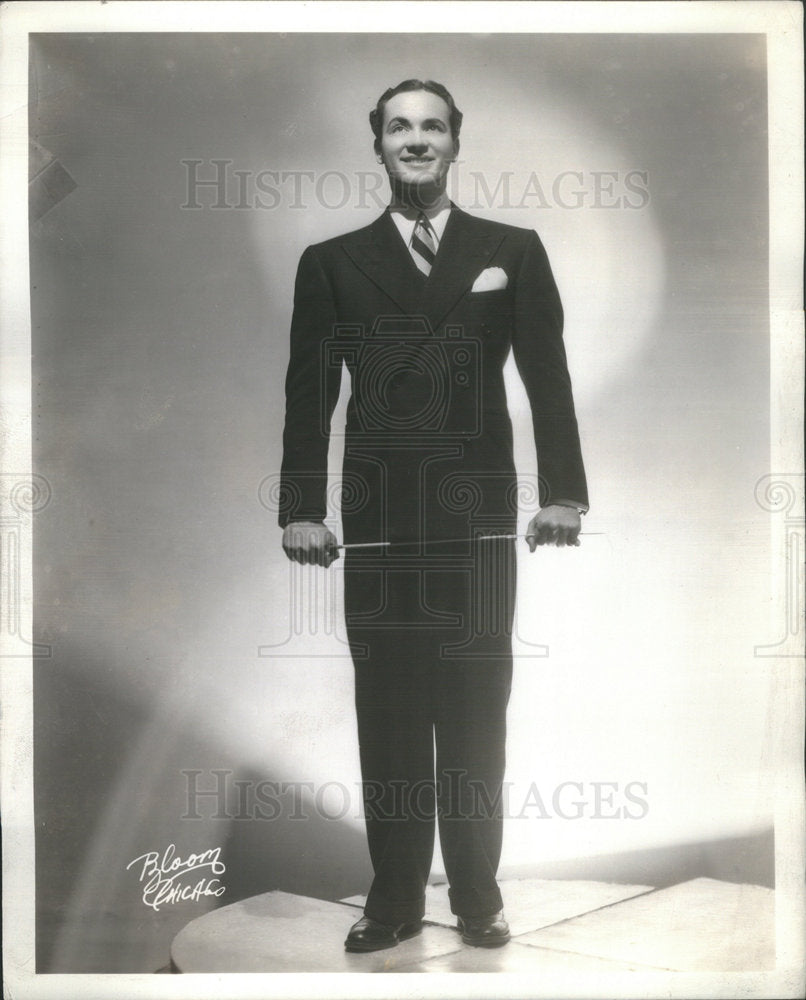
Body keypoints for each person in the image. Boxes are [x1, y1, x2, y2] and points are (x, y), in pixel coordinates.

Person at [279, 79, 588, 952]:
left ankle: (480, 897)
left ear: (457, 141)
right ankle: (394, 901)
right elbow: (309, 397)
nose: (416, 140)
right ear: (376, 143)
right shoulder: (332, 262)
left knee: (477, 715)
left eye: (433, 127)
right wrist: (303, 508)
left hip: (480, 524)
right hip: (377, 525)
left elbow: (548, 379)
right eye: (399, 128)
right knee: (389, 716)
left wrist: (563, 492)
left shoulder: (512, 250)